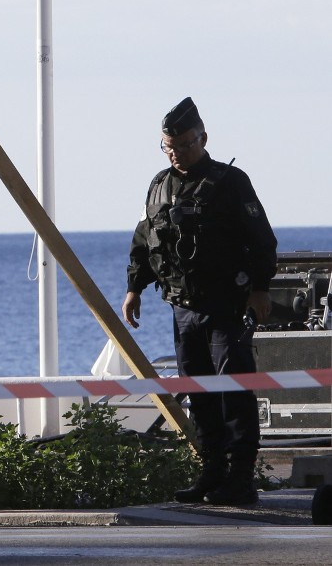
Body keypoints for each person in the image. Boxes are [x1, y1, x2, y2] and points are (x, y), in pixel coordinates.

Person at [122, 97, 278, 506]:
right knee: (198, 391)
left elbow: (262, 240)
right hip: (182, 308)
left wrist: (260, 288)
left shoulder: (230, 182)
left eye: (185, 145)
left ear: (203, 138)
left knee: (234, 391)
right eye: (169, 146)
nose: (176, 153)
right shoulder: (160, 185)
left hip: (226, 307)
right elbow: (144, 240)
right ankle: (211, 471)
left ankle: (241, 479)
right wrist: (134, 287)